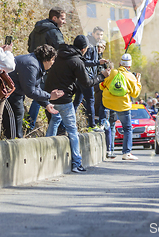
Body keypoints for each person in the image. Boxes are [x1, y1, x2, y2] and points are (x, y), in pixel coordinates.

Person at [45, 35, 110, 173]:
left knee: (54, 120)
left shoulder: (60, 53)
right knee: (72, 131)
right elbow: (87, 82)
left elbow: (82, 62)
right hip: (64, 99)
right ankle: (76, 163)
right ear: (84, 49)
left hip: (49, 97)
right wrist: (102, 76)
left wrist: (97, 62)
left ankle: (46, 154)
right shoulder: (76, 61)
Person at [2, 45, 64, 139]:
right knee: (14, 122)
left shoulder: (36, 63)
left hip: (16, 93)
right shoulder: (31, 65)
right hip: (9, 94)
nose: (53, 63)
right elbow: (30, 91)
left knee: (18, 116)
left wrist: (46, 103)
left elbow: (36, 87)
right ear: (47, 59)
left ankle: (16, 141)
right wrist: (49, 96)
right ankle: (14, 144)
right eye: (52, 60)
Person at [27, 8, 66, 131]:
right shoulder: (54, 32)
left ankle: (29, 124)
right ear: (55, 18)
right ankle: (58, 126)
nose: (64, 22)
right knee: (49, 95)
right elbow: (61, 50)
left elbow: (29, 45)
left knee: (38, 94)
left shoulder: (36, 29)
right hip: (49, 67)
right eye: (62, 19)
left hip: (34, 64)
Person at [100, 53, 142, 161]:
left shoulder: (112, 72)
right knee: (127, 128)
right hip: (123, 106)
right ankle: (126, 153)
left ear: (120, 63)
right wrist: (138, 82)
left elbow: (101, 86)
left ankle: (110, 150)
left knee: (111, 125)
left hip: (108, 104)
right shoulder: (131, 77)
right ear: (129, 66)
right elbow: (135, 94)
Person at [73, 38, 109, 130]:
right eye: (100, 46)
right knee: (90, 101)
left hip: (85, 78)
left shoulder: (97, 53)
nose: (101, 48)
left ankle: (67, 123)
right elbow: (84, 63)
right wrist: (98, 63)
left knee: (77, 101)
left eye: (103, 46)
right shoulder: (90, 49)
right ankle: (92, 125)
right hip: (86, 78)